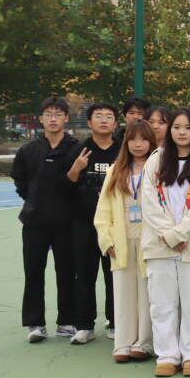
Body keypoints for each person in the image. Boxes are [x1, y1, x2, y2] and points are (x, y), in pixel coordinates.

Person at [141, 108, 190, 377]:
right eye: (176, 127)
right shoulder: (157, 159)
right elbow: (149, 201)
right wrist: (169, 235)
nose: (181, 132)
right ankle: (167, 355)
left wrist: (180, 234)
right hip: (159, 244)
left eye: (187, 128)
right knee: (162, 303)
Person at [14, 97, 79, 343]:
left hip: (67, 222)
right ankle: (35, 324)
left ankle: (67, 322)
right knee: (33, 272)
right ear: (40, 119)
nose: (53, 118)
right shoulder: (28, 150)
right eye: (48, 114)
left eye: (58, 114)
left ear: (66, 118)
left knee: (67, 272)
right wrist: (33, 200)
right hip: (35, 222)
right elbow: (20, 182)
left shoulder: (76, 148)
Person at [93, 119, 156, 362]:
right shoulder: (115, 171)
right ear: (126, 142)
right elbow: (103, 210)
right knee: (123, 293)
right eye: (133, 139)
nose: (138, 144)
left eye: (143, 139)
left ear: (151, 142)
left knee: (148, 293)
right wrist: (106, 239)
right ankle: (123, 343)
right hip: (121, 240)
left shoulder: (158, 168)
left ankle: (145, 342)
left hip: (149, 240)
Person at [64, 101, 121, 344]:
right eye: (98, 116)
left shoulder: (122, 150)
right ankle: (84, 326)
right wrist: (76, 168)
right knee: (85, 275)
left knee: (113, 275)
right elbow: (66, 184)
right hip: (84, 224)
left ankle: (116, 323)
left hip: (114, 225)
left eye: (109, 116)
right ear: (89, 122)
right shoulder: (79, 150)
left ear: (116, 124)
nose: (104, 120)